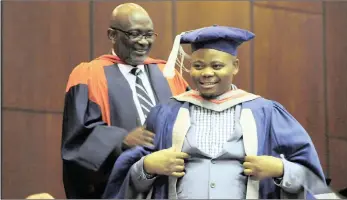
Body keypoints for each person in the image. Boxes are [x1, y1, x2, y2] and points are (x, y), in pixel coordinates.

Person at [102, 25, 340, 199]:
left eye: (217, 65)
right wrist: (147, 166)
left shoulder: (266, 113)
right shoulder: (166, 113)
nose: (206, 73)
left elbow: (312, 178)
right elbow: (128, 180)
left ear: (234, 66)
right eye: (198, 65)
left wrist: (280, 169)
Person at [61, 3, 188, 199]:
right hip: (121, 189)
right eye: (134, 34)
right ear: (112, 35)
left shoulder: (169, 75)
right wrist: (121, 140)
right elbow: (78, 137)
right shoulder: (88, 75)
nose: (143, 42)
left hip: (170, 185)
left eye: (148, 35)